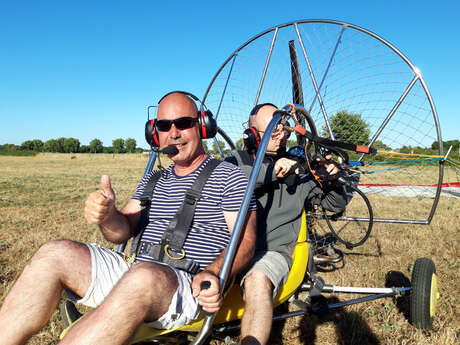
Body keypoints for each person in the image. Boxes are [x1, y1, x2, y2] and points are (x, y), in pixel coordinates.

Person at [0, 91, 257, 345]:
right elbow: (121, 232)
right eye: (165, 126)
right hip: (134, 273)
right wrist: (107, 215)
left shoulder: (230, 176)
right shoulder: (154, 179)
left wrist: (213, 272)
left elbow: (245, 240)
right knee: (54, 253)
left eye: (184, 123)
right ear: (155, 133)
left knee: (143, 276)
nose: (174, 133)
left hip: (187, 286)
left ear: (202, 126)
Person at [225, 103, 348, 345]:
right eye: (272, 130)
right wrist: (272, 172)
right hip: (229, 248)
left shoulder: (300, 169)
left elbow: (335, 205)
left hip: (269, 253)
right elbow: (236, 180)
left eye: (283, 128)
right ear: (251, 133)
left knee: (257, 280)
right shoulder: (234, 162)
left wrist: (332, 179)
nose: (281, 134)